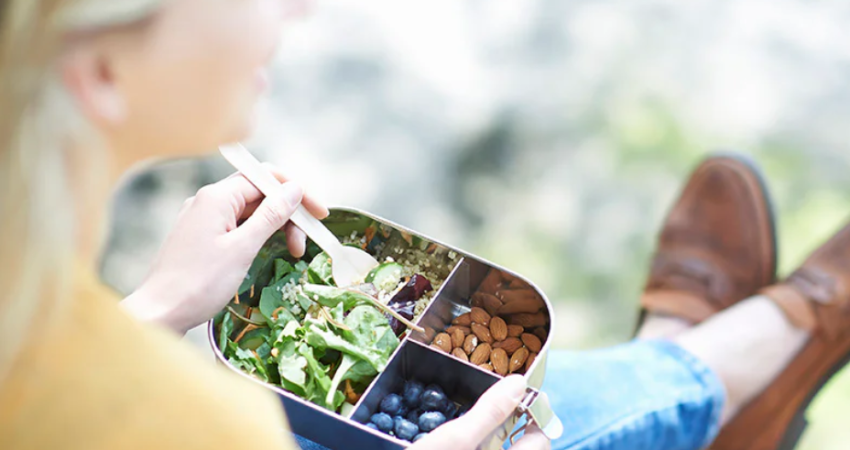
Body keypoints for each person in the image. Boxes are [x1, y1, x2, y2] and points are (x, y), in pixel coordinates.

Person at [1, 2, 847, 450]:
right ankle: (742, 362)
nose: (300, 8)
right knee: (574, 418)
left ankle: (703, 361)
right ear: (101, 70)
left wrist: (155, 310)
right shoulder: (187, 424)